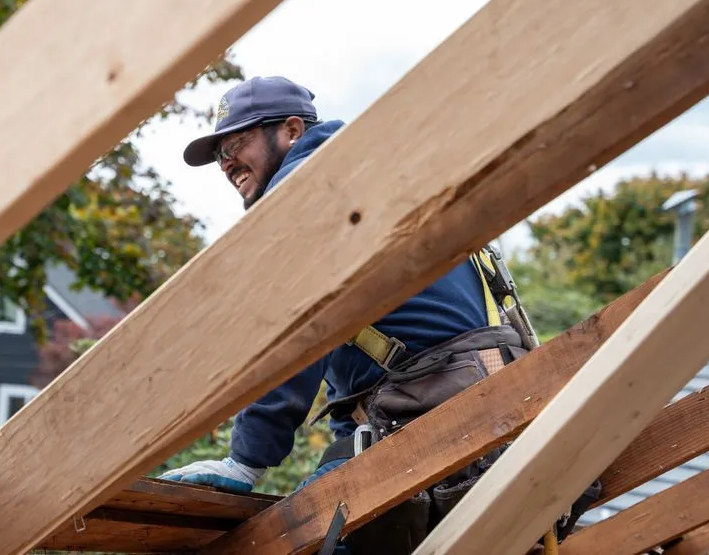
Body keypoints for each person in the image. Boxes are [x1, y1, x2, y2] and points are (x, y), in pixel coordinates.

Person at [160, 76, 591, 552]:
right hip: (495, 423)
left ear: (291, 130)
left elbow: (296, 338)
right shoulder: (375, 187)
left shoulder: (305, 199)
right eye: (219, 153)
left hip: (443, 429)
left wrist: (246, 460)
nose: (225, 163)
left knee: (280, 543)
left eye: (237, 142)